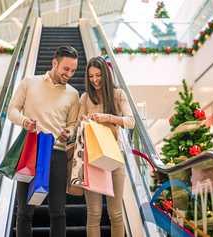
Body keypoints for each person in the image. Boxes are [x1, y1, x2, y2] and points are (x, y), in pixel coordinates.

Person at [8, 45, 80, 237]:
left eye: (73, 70)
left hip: (57, 153)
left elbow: (73, 124)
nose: (70, 74)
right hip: (31, 150)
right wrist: (24, 121)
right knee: (24, 211)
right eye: (66, 69)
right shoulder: (29, 82)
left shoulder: (73, 94)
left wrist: (69, 132)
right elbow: (12, 110)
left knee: (58, 212)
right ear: (54, 63)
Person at [78, 56, 135, 237]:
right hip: (93, 158)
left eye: (98, 75)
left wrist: (108, 117)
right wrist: (84, 121)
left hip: (115, 158)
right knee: (94, 213)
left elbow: (131, 121)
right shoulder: (85, 97)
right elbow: (78, 124)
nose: (95, 80)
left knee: (116, 213)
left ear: (107, 75)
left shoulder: (118, 95)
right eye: (91, 76)